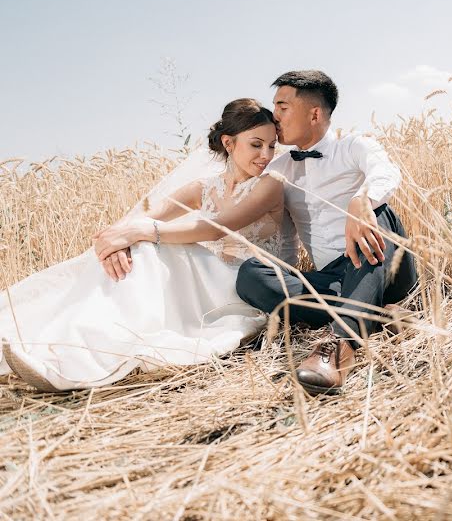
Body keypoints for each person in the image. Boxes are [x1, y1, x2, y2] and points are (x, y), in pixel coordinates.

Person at [0, 98, 284, 391]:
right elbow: (144, 217)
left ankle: (75, 366)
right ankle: (66, 347)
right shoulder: (204, 187)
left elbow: (213, 230)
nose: (266, 154)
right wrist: (120, 240)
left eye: (272, 145)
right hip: (206, 282)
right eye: (256, 144)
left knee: (154, 243)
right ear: (228, 143)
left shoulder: (270, 183)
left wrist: (142, 232)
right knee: (143, 250)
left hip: (247, 283)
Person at [236, 70, 418, 396]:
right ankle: (376, 315)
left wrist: (361, 201)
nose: (273, 116)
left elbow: (386, 172)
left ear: (315, 113)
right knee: (250, 275)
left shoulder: (353, 146)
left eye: (282, 107)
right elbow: (258, 217)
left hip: (386, 265)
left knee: (377, 215)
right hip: (333, 280)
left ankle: (339, 349)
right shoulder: (279, 169)